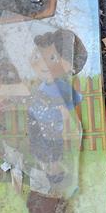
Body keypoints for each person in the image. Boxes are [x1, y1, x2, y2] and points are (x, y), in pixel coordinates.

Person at [26, 28, 86, 188]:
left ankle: (50, 168)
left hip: (51, 127)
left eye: (52, 58)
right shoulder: (41, 85)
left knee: (51, 147)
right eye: (38, 57)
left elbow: (72, 103)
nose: (43, 64)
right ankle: (47, 165)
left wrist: (64, 114)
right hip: (36, 122)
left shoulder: (62, 86)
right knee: (41, 147)